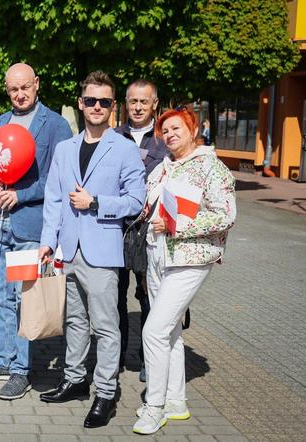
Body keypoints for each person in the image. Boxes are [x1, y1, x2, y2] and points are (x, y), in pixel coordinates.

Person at [38, 71, 146, 428]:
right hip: (68, 250)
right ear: (80, 103)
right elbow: (53, 198)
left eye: (104, 102)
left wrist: (96, 202)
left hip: (102, 251)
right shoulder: (65, 148)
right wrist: (48, 242)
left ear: (112, 106)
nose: (96, 107)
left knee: (105, 326)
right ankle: (74, 379)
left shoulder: (125, 148)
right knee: (74, 320)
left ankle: (105, 392)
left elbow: (136, 200)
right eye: (90, 100)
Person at [0, 63, 72, 400]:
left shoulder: (56, 125)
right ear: (7, 89)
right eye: (13, 89)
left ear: (37, 84)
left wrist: (22, 194)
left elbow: (60, 179)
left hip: (29, 225)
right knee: (0, 298)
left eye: (25, 86)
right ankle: (0, 359)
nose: (20, 94)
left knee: (24, 300)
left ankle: (19, 371)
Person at [132, 107, 235, 434]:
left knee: (153, 330)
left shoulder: (211, 167)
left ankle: (155, 406)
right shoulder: (163, 167)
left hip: (190, 258)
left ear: (193, 130)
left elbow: (226, 215)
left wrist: (178, 226)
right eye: (166, 130)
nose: (171, 134)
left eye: (177, 128)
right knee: (171, 331)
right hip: (158, 254)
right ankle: (176, 401)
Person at [115, 79, 168, 381]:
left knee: (150, 298)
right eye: (133, 101)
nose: (137, 107)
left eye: (143, 102)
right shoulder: (113, 137)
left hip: (150, 233)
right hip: (117, 231)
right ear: (126, 102)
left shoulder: (164, 140)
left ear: (154, 104)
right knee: (115, 297)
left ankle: (149, 357)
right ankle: (118, 354)